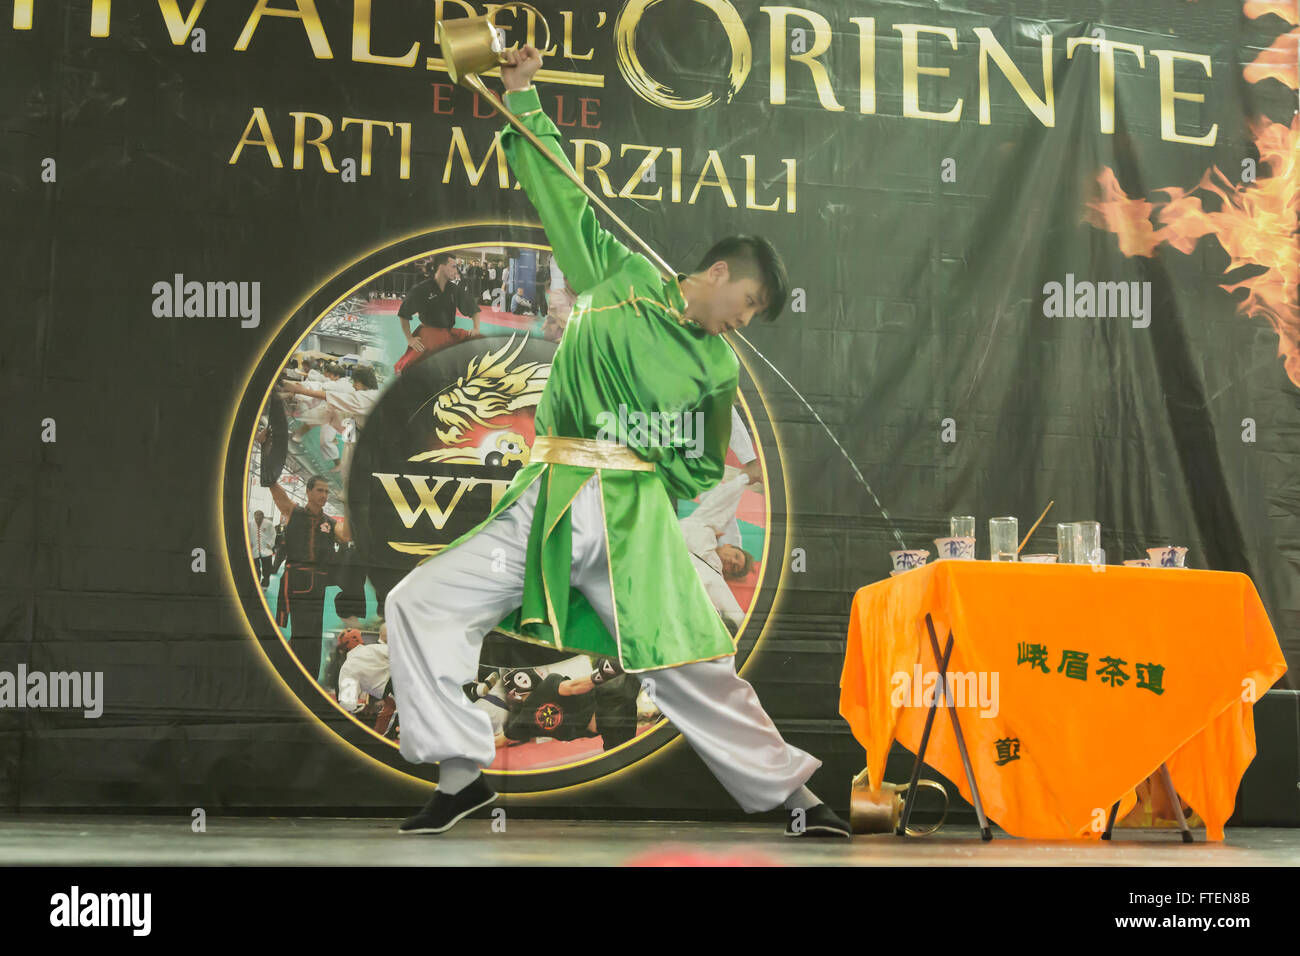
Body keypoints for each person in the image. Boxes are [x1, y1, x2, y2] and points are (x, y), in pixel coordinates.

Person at [383, 44, 848, 839]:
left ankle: (795, 800)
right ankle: (462, 779)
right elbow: (561, 193)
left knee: (693, 665)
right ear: (718, 270)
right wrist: (521, 96)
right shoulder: (615, 278)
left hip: (633, 517)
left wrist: (649, 480)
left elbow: (702, 464)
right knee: (417, 603)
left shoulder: (715, 368)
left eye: (756, 312)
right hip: (549, 502)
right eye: (749, 299)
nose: (746, 317)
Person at [268, 474, 351, 680]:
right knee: (301, 634)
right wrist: (268, 451)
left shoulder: (330, 522)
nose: (324, 495)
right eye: (320, 490)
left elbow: (346, 536)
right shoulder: (293, 512)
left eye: (326, 491)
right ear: (308, 491)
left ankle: (309, 678)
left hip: (318, 585)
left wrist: (348, 504)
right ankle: (292, 676)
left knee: (314, 634)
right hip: (297, 581)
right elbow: (276, 493)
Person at [395, 253, 482, 374]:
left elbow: (473, 310)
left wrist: (476, 328)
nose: (456, 271)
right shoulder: (421, 289)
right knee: (411, 370)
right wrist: (409, 338)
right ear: (442, 267)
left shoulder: (454, 289)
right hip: (429, 335)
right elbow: (403, 314)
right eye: (453, 267)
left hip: (448, 333)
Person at [249, 510, 275, 588]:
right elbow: (248, 534)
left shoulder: (269, 524)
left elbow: (273, 534)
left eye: (259, 518)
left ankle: (265, 584)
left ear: (263, 517)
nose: (257, 519)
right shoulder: (250, 524)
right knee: (255, 569)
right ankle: (256, 584)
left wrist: (270, 544)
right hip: (254, 550)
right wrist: (250, 543)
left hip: (266, 550)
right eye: (256, 517)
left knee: (267, 569)